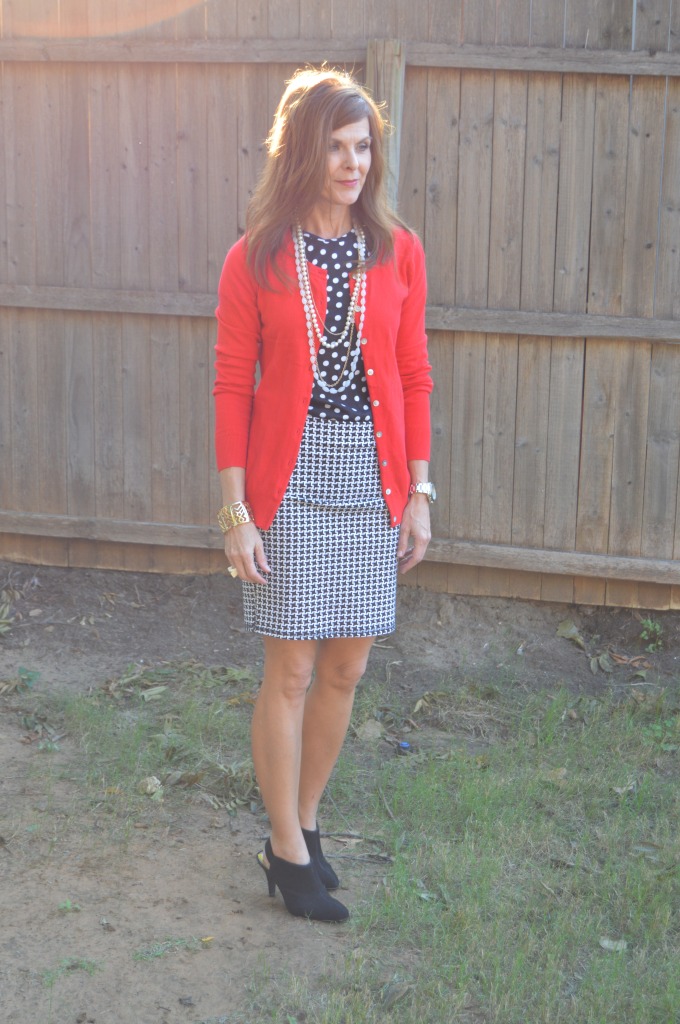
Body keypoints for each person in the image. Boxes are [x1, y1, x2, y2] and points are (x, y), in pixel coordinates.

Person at [213, 67, 434, 923]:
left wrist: (418, 491)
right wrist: (236, 511)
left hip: (373, 479)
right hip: (292, 480)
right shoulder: (257, 257)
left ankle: (304, 827)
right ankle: (285, 845)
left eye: (363, 146)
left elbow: (413, 375)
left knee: (347, 665)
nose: (353, 163)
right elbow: (233, 383)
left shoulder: (396, 249)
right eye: (337, 147)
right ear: (304, 151)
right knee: (294, 666)